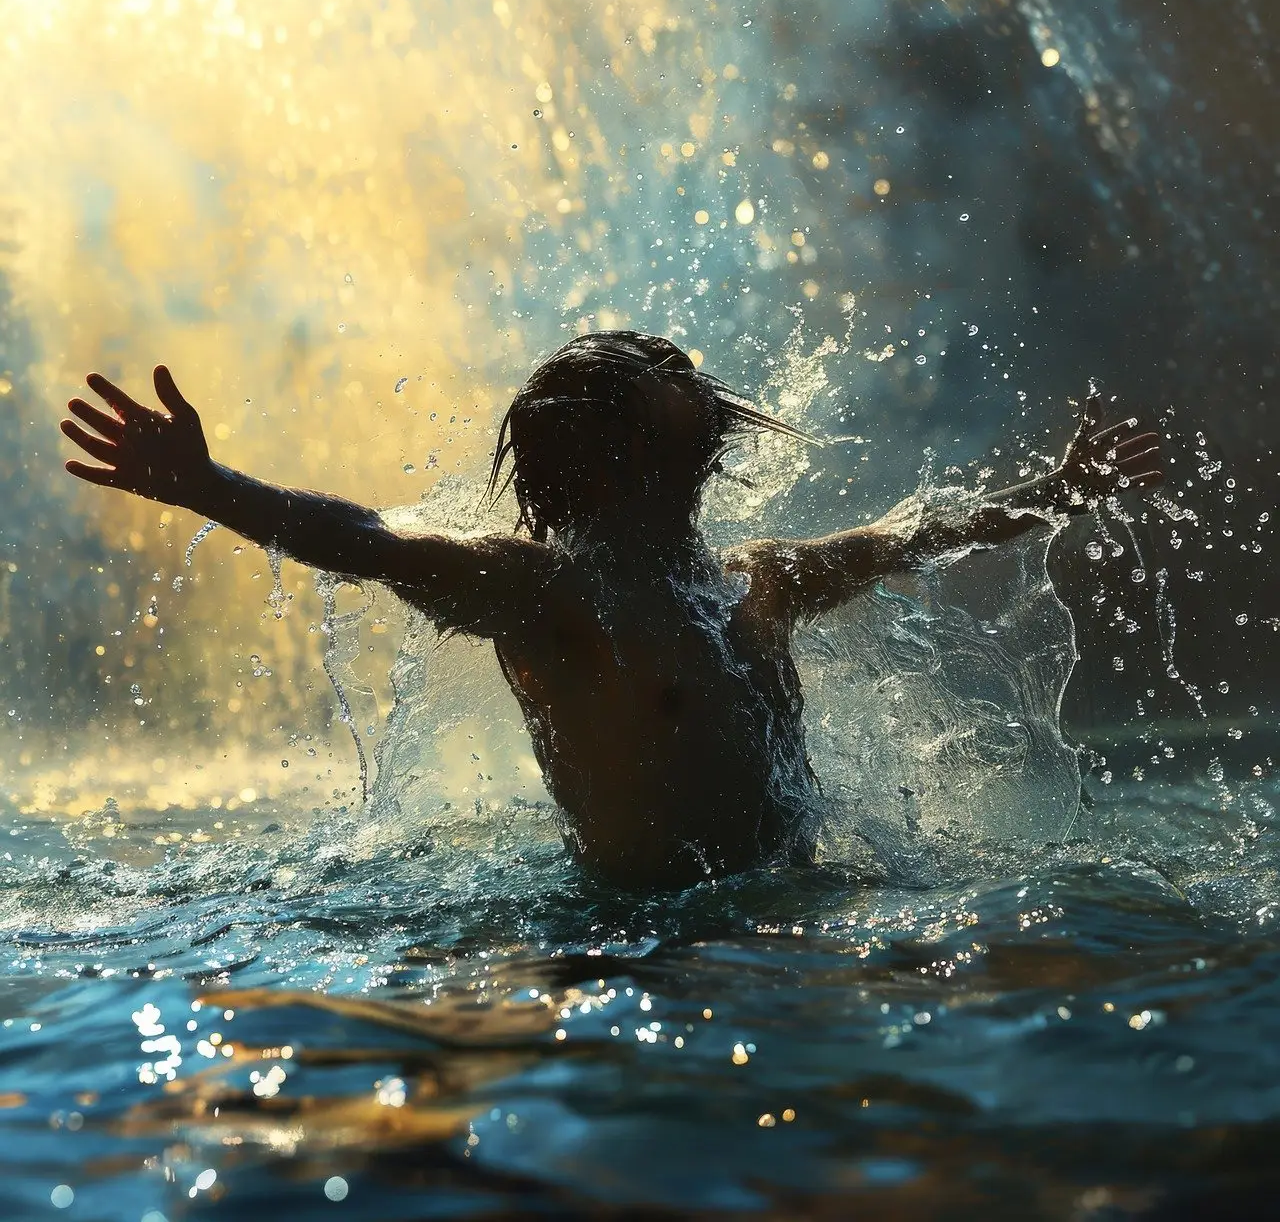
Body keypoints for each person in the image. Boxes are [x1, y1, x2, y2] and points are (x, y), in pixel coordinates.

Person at [62, 331, 1161, 887]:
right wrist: (210, 487)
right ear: (608, 448)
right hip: (634, 940)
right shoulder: (543, 589)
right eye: (644, 367)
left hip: (787, 907)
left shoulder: (760, 576)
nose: (668, 359)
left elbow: (904, 536)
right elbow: (369, 540)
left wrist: (1049, 497)